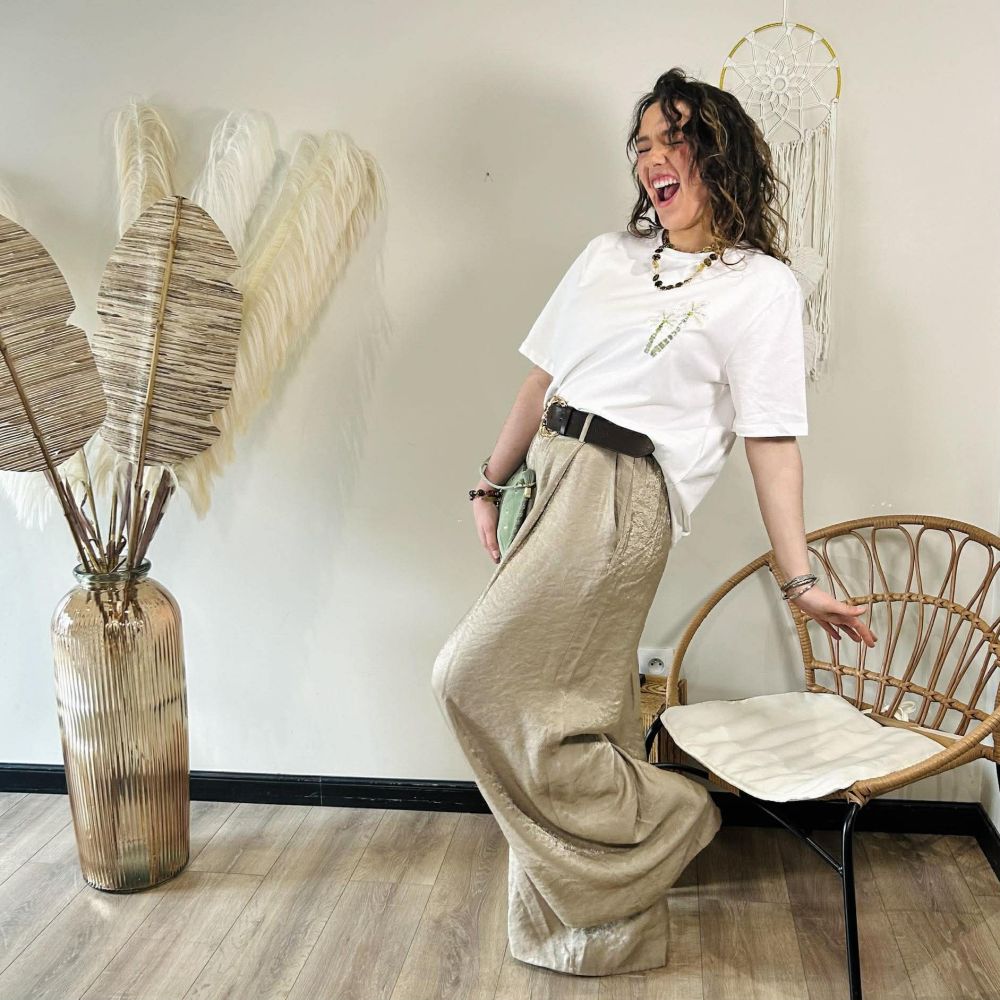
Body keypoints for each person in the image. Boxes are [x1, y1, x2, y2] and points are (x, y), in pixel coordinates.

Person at [431, 66, 878, 978]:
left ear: (720, 154)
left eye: (675, 139)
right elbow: (542, 381)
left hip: (622, 494)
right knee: (568, 714)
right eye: (642, 144)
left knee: (468, 676)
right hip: (551, 475)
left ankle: (673, 815)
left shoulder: (761, 286)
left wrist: (799, 579)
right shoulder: (609, 256)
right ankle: (594, 923)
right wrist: (488, 483)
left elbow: (771, 441)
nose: (653, 159)